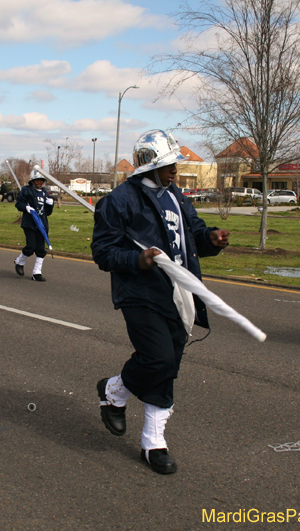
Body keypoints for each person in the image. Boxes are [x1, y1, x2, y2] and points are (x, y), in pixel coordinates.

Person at [91, 129, 230, 475]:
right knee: (158, 358)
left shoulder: (177, 196)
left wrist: (211, 238)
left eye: (175, 164)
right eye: (168, 164)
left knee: (168, 366)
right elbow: (103, 252)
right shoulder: (119, 200)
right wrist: (138, 261)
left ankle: (149, 438)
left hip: (179, 292)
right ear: (148, 165)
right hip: (141, 293)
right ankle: (118, 395)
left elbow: (193, 232)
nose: (175, 170)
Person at [13, 169, 54, 280]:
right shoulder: (26, 190)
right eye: (37, 181)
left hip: (42, 224)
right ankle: (20, 262)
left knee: (41, 249)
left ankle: (36, 273)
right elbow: (19, 204)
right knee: (31, 246)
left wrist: (50, 205)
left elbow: (48, 213)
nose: (39, 183)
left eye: (41, 181)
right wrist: (26, 208)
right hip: (30, 223)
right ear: (32, 181)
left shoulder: (45, 192)